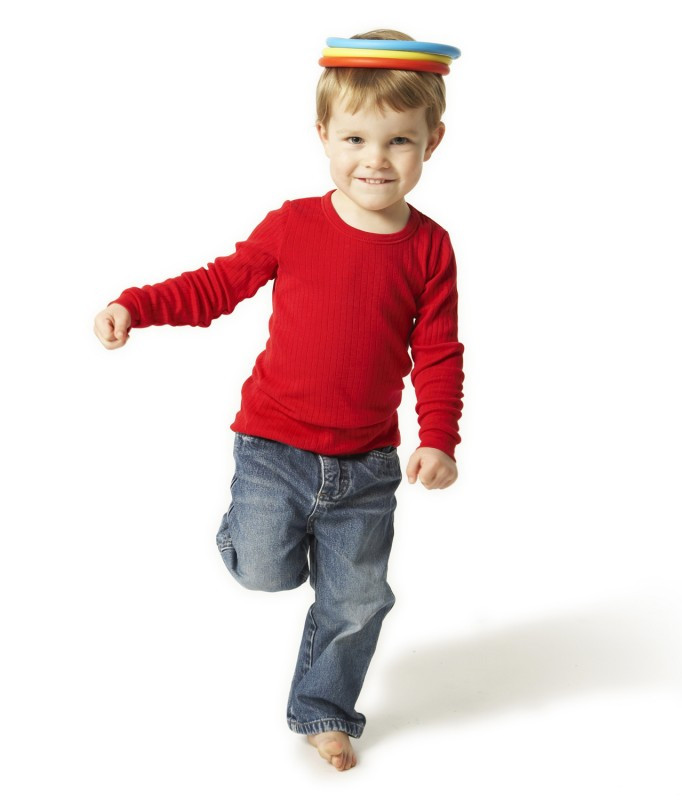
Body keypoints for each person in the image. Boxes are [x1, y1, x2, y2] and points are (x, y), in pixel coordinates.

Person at [93, 29, 464, 772]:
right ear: (323, 135)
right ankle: (249, 533)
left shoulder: (430, 247)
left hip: (366, 467)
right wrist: (137, 304)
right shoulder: (294, 224)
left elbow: (438, 351)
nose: (376, 159)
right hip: (274, 449)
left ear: (432, 141)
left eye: (399, 140)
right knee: (264, 570)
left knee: (358, 600)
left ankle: (324, 710)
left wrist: (438, 438)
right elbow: (216, 286)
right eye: (356, 138)